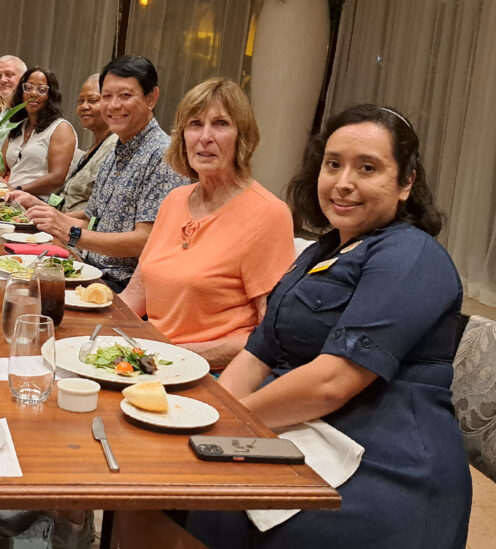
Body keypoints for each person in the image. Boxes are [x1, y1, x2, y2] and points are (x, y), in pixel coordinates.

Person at [186, 104, 471, 547]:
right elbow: (258, 353)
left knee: (208, 504)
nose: (343, 182)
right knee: (167, 480)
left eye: (368, 168)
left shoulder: (413, 255)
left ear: (406, 183)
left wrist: (224, 427)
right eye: (333, 164)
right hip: (306, 431)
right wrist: (205, 422)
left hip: (384, 463)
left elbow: (332, 383)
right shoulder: (318, 254)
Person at [120, 78, 293, 368]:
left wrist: (178, 356)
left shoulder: (268, 214)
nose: (205, 137)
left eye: (221, 124)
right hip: (149, 361)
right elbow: (136, 295)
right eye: (195, 124)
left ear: (243, 137)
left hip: (209, 373)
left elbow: (269, 335)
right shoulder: (175, 200)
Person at [7, 55, 188, 291]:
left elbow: (146, 240)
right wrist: (43, 212)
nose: (113, 106)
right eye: (107, 96)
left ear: (151, 98)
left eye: (125, 96)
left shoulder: (162, 155)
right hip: (89, 269)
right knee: (12, 279)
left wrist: (70, 232)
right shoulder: (115, 151)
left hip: (123, 287)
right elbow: (92, 218)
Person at [0, 67, 77, 197]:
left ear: (50, 96)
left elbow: (57, 179)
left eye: (41, 90)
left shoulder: (61, 128)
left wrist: (18, 190)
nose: (33, 94)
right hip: (9, 197)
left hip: (38, 202)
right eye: (28, 88)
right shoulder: (19, 126)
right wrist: (0, 185)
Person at [47, 74, 117, 212]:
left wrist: (55, 217)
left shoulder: (114, 146)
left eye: (93, 100)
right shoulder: (96, 144)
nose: (84, 106)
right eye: (80, 101)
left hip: (77, 229)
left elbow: (98, 212)